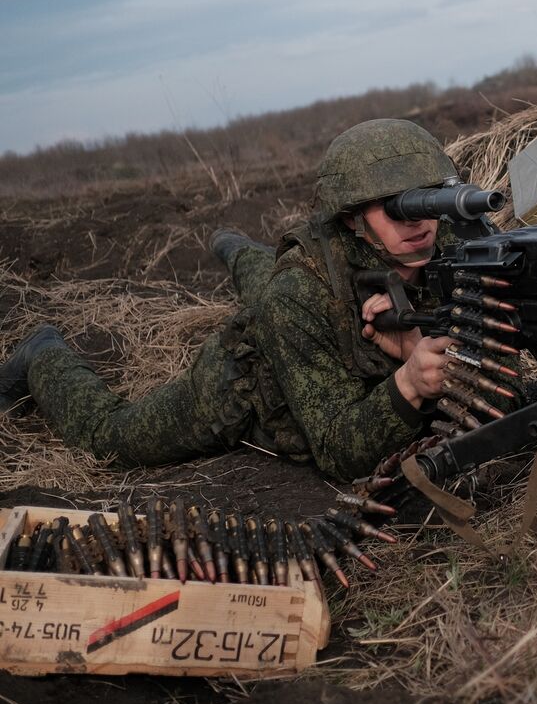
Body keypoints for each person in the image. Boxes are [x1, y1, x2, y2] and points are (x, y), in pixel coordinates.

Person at [0, 119, 483, 481]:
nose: (417, 220)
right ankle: (42, 352)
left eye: (427, 197)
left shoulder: (454, 246)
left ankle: (236, 249)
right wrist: (409, 383)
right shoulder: (297, 294)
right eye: (395, 206)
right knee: (110, 438)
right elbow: (338, 450)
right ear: (351, 215)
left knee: (264, 276)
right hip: (245, 384)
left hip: (304, 309)